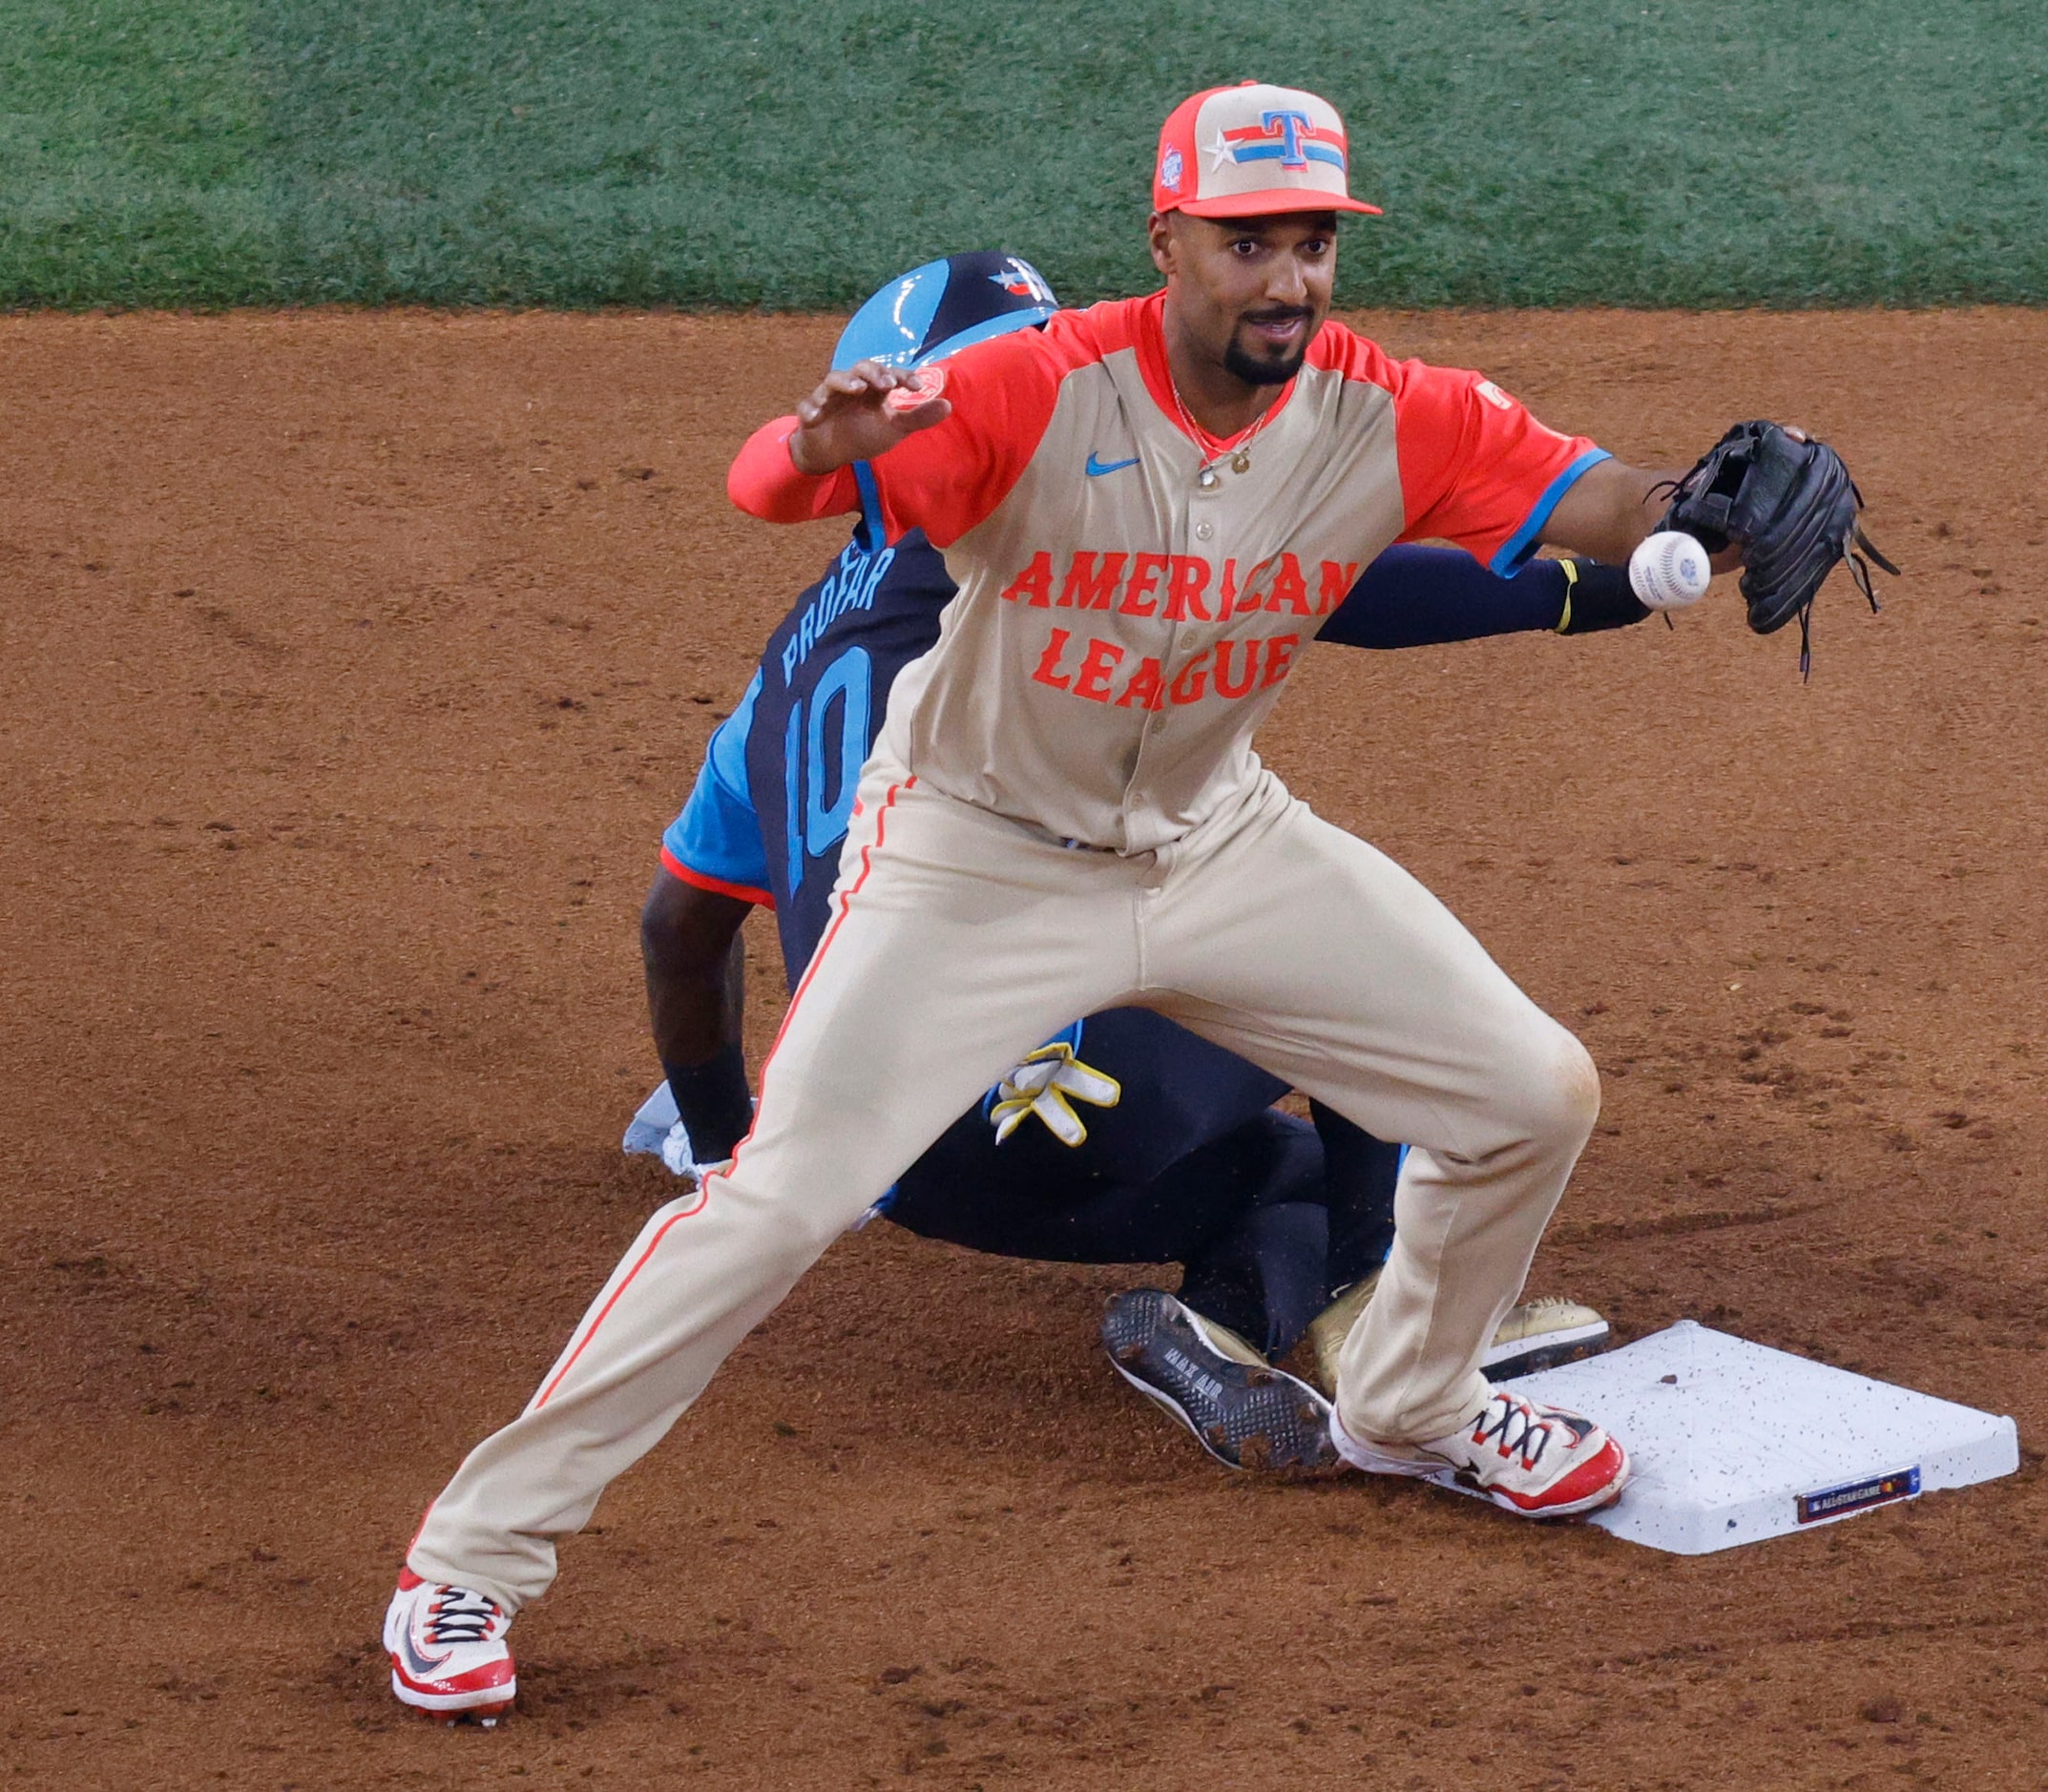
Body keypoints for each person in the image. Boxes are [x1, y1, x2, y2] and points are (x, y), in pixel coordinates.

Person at [387, 80, 1807, 1724]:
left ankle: (1415, 1401)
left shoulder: (1382, 410)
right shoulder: (1034, 389)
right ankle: (471, 1558)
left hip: (1219, 839)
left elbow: (1597, 496)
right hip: (975, 865)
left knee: (1530, 1088)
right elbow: (766, 487)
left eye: (1313, 242)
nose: (1287, 276)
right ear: (1169, 240)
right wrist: (817, 443)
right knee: (769, 1202)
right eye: (1249, 240)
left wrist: (1708, 489)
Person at [625, 251, 1643, 1469]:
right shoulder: (1023, 559)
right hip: (1099, 1110)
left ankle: (1217, 1317)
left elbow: (677, 928)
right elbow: (1341, 587)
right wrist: (1584, 592)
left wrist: (727, 1145)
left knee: (1277, 1164)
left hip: (916, 1165)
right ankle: (1367, 1293)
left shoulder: (785, 671)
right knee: (1343, 986)